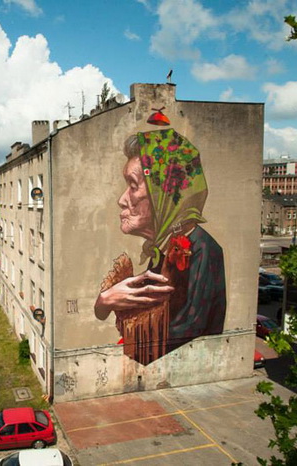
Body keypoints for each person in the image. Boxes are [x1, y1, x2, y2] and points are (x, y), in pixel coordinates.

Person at [94, 128, 226, 365]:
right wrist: (105, 301)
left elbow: (186, 330)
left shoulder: (203, 249)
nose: (122, 200)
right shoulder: (163, 250)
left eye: (133, 186)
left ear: (164, 195)